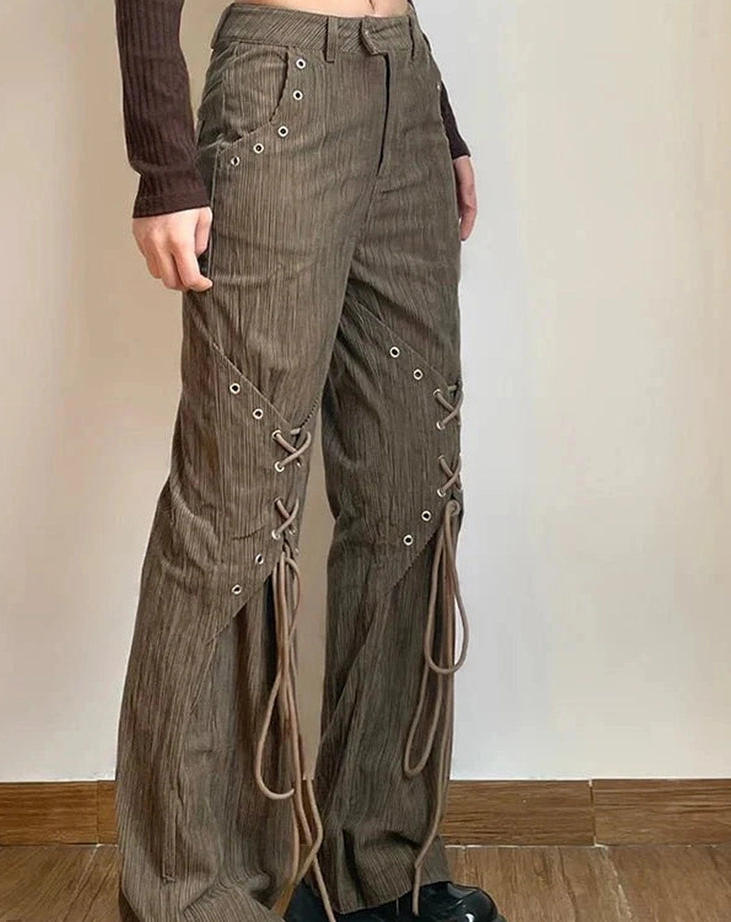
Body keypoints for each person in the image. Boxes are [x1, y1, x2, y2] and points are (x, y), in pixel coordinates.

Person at [112, 1, 502, 922]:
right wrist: (163, 161)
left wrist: (435, 117)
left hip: (405, 87)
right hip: (279, 89)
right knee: (235, 506)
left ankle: (377, 870)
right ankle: (190, 896)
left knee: (412, 485)